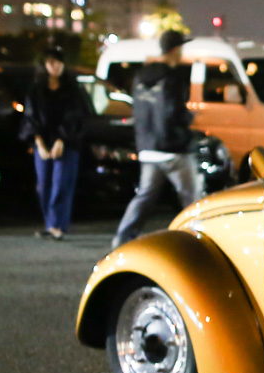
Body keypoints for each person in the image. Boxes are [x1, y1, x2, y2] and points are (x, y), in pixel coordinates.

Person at [112, 29, 203, 248]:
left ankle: (122, 238)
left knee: (144, 196)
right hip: (173, 149)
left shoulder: (140, 77)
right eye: (181, 48)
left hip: (148, 147)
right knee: (192, 195)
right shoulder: (172, 78)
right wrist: (190, 118)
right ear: (174, 50)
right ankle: (197, 239)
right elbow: (174, 112)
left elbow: (139, 110)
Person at [20, 47, 92, 240]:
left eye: (59, 62)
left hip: (68, 143)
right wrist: (40, 143)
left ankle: (57, 225)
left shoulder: (72, 89)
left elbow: (77, 117)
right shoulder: (36, 90)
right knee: (43, 185)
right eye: (51, 62)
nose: (56, 66)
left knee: (62, 184)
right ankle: (50, 223)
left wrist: (62, 140)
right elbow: (30, 118)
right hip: (42, 143)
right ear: (44, 65)